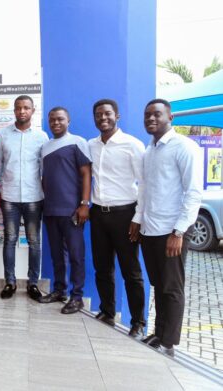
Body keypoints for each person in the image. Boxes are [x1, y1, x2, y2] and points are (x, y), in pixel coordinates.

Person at [137, 99, 202, 357]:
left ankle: (169, 342)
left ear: (170, 117)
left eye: (157, 114)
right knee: (158, 284)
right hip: (150, 229)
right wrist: (139, 221)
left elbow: (193, 192)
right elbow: (145, 190)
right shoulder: (149, 150)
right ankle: (158, 332)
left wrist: (178, 232)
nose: (151, 119)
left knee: (171, 288)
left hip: (171, 231)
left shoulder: (184, 147)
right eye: (147, 115)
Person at [87, 99, 146, 339]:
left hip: (125, 215)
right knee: (102, 268)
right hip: (98, 213)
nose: (103, 118)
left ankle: (138, 322)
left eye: (108, 114)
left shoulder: (132, 144)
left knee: (131, 271)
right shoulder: (91, 145)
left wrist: (138, 217)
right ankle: (107, 311)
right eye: (99, 114)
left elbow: (144, 184)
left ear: (117, 116)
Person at [0, 95, 48, 300]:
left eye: (26, 108)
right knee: (10, 239)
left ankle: (33, 284)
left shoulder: (42, 137)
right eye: (18, 108)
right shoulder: (2, 135)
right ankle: (10, 283)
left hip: (34, 197)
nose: (22, 111)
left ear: (33, 111)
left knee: (34, 241)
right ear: (14, 111)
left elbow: (45, 168)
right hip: (9, 196)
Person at [39, 107, 91, 314]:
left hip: (72, 210)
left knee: (76, 255)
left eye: (60, 119)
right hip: (51, 210)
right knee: (57, 255)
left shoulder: (77, 142)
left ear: (68, 121)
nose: (56, 123)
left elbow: (86, 173)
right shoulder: (45, 147)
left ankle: (77, 296)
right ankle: (59, 290)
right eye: (52, 120)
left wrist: (84, 204)